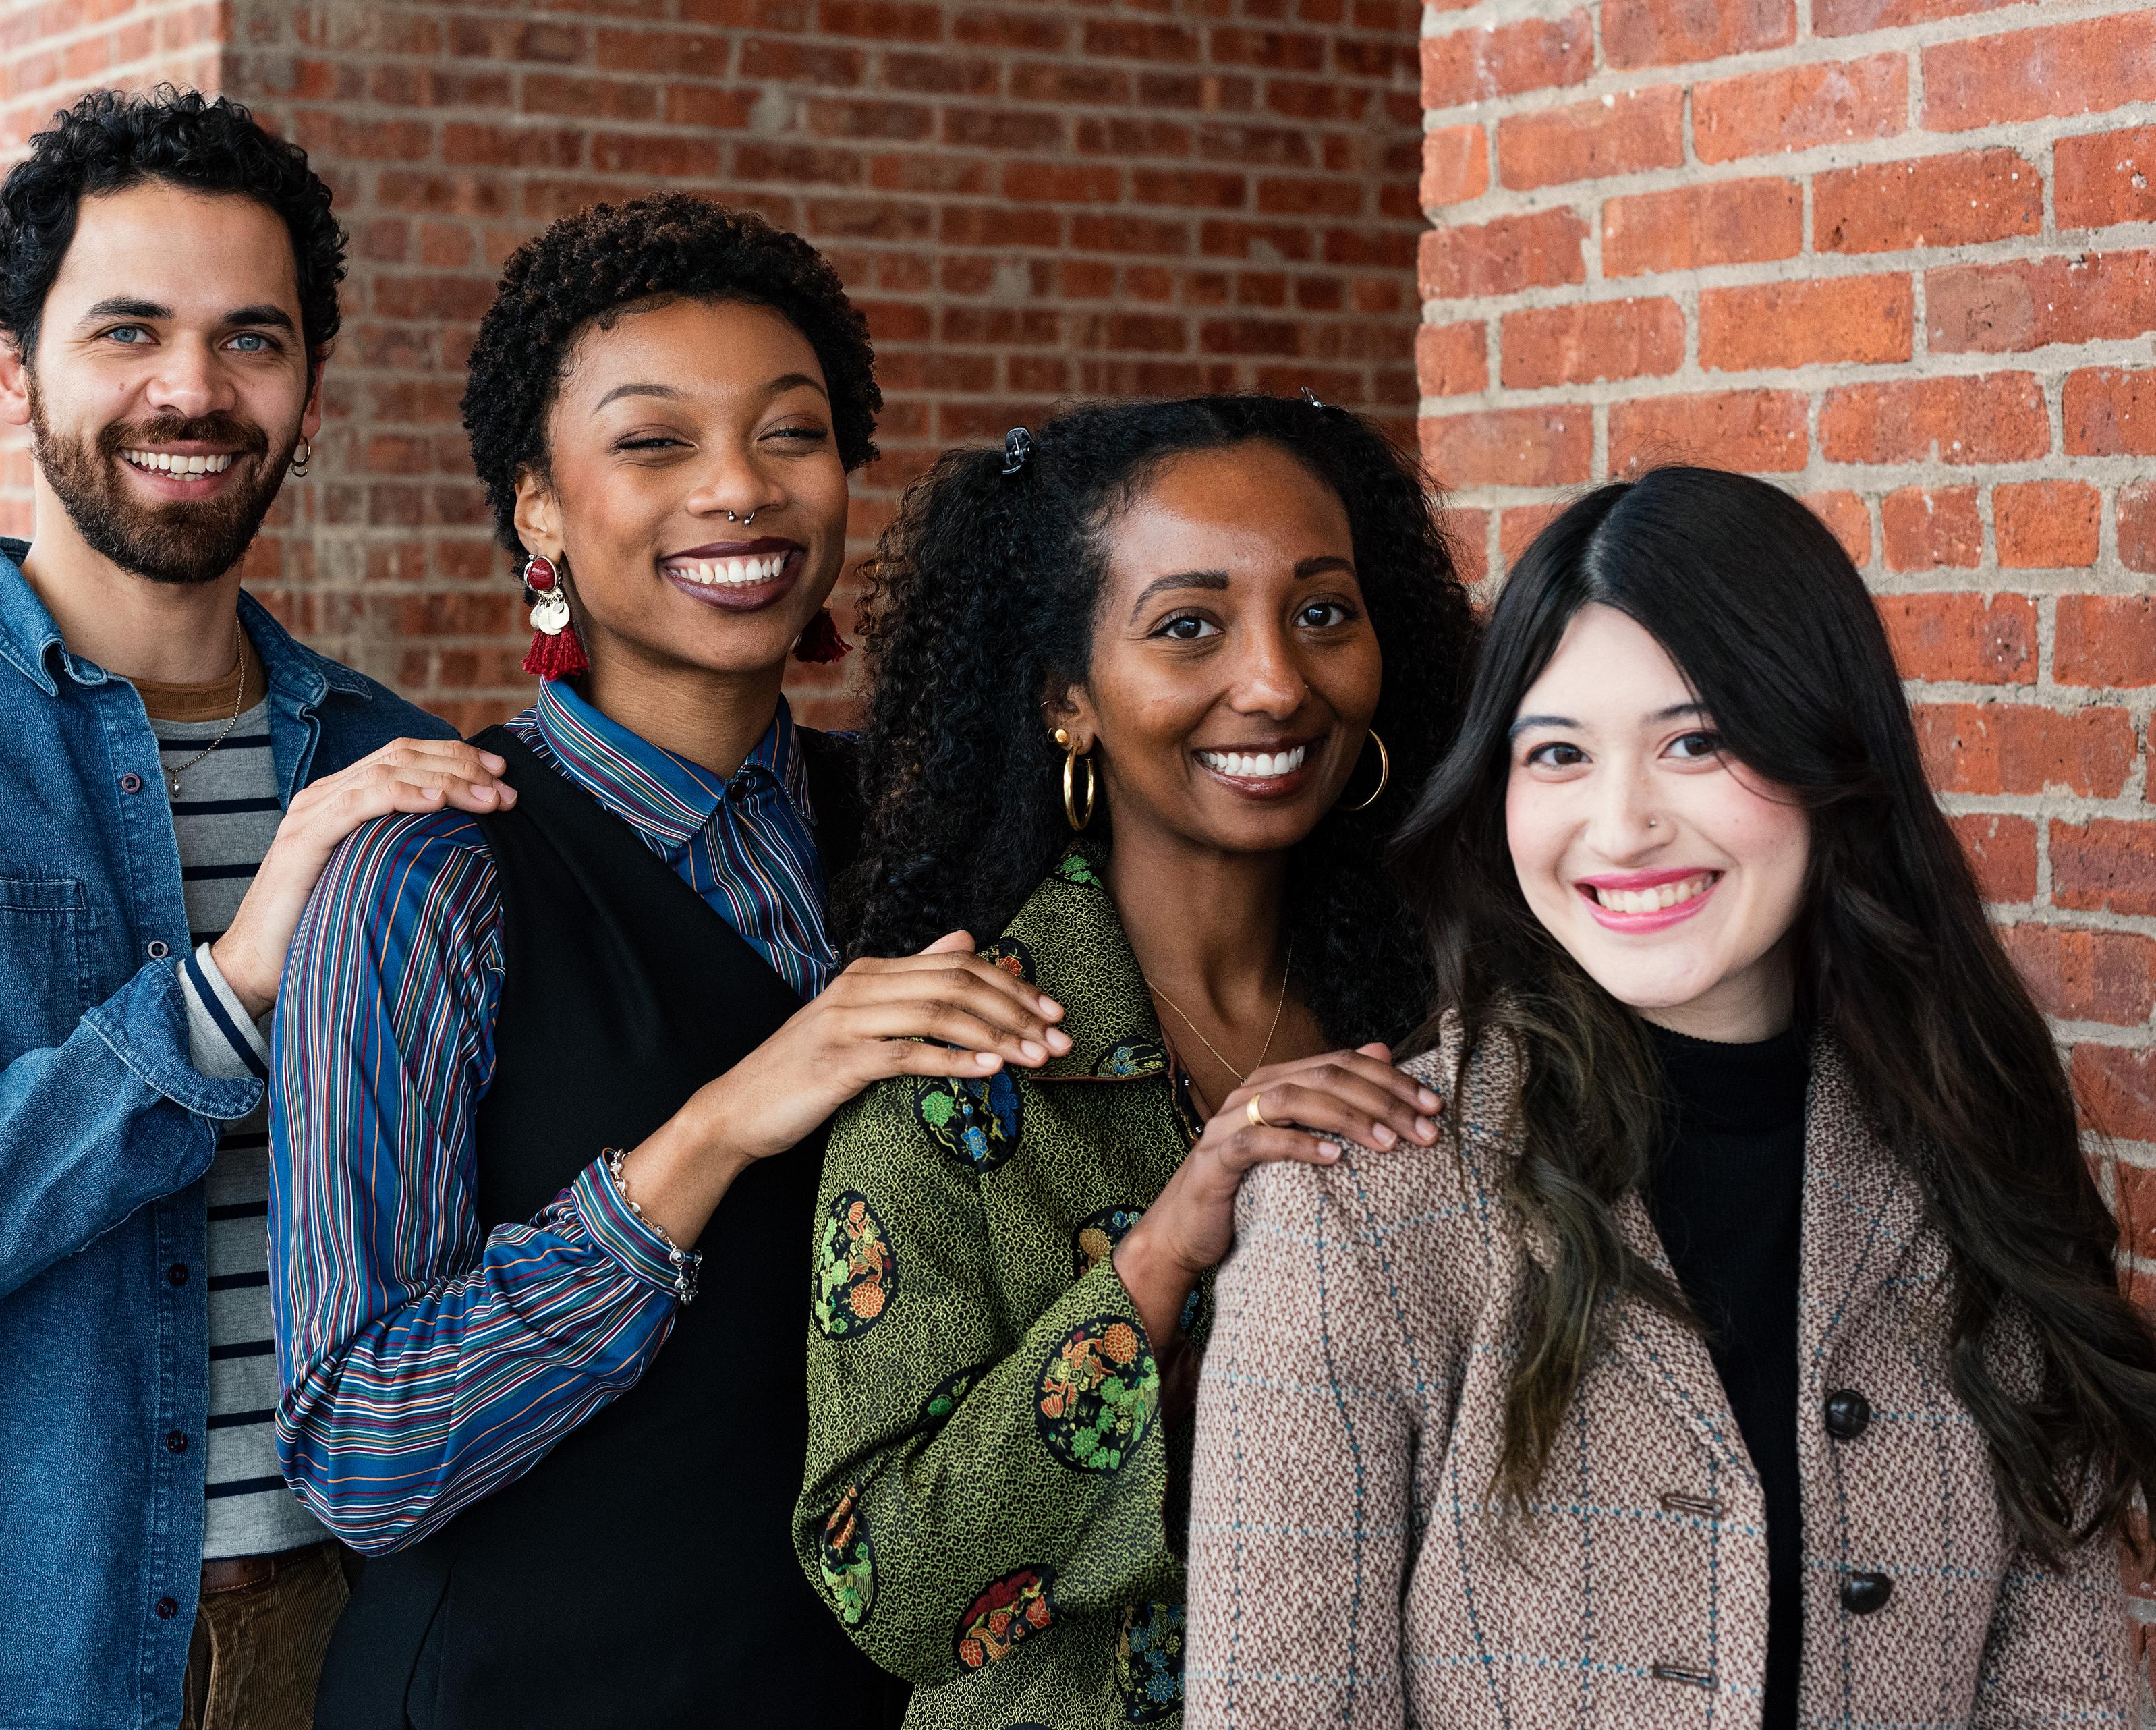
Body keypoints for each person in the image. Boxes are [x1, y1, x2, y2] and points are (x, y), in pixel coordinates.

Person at [0, 89, 508, 1730]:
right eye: (129, 328)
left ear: (310, 390)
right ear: (13, 365)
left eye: (251, 340)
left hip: (352, 1639)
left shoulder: (388, 761)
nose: (193, 390)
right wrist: (220, 1001)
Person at [1188, 466, 2156, 1727]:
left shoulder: (1967, 1159)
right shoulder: (1363, 1202)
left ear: (1828, 755)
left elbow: (2068, 1696)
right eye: (1559, 754)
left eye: (1696, 741)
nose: (1622, 824)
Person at [271, 193, 1055, 1730]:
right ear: (539, 510)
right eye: (652, 444)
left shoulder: (922, 831)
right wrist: (711, 1132)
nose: (739, 492)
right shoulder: (432, 872)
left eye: (791, 434)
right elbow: (363, 1449)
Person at [795, 395, 1481, 1728]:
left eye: (1325, 612)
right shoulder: (961, 1069)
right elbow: (885, 1583)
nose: (1278, 680)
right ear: (1069, 699)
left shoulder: (1450, 1028)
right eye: (1188, 626)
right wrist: (1164, 1254)